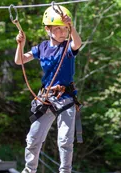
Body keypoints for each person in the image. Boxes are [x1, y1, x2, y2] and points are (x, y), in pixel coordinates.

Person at [14, 4, 82, 173]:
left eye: (65, 28)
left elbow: (77, 43)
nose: (63, 32)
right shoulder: (42, 48)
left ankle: (65, 171)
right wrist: (20, 44)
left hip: (65, 98)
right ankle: (29, 170)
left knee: (65, 140)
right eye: (58, 29)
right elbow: (19, 60)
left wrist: (71, 27)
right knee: (33, 138)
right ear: (48, 29)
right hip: (46, 98)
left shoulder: (67, 47)